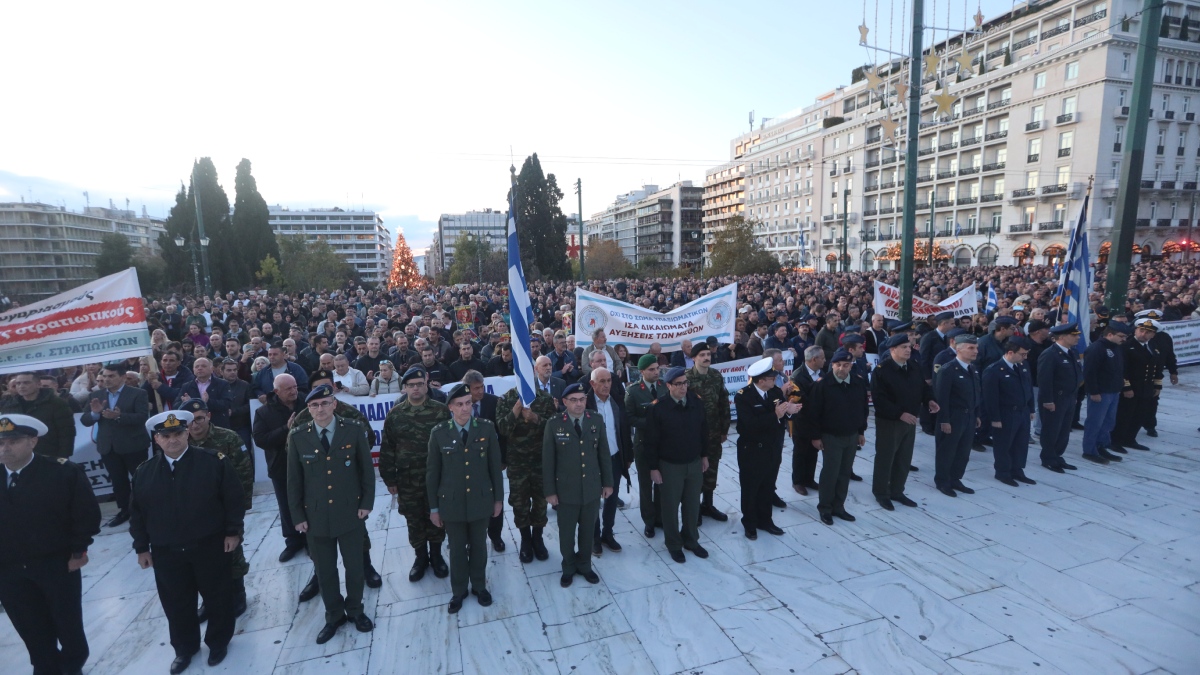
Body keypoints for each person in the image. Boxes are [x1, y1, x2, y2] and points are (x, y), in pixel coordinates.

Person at [130, 410, 244, 674]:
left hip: (209, 544)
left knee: (217, 597)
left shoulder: (213, 461)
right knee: (176, 603)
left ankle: (218, 642)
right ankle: (185, 648)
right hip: (166, 551)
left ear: (187, 433)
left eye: (178, 433)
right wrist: (141, 548)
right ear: (156, 439)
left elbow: (233, 499)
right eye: (166, 435)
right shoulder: (144, 472)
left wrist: (233, 532)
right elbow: (137, 513)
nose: (173, 440)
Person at [0, 414, 101, 675]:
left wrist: (79, 550)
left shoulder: (61, 471)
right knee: (28, 624)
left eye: (12, 441)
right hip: (8, 568)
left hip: (55, 563)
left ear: (32, 441)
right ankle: (44, 666)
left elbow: (86, 514)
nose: (4, 447)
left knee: (66, 622)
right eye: (0, 442)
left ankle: (72, 664)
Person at [286, 385, 375, 644]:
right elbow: (294, 481)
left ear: (334, 404)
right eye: (314, 405)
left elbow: (366, 471)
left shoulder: (353, 430)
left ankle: (356, 610)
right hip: (315, 517)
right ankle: (334, 615)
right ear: (308, 409)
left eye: (325, 403)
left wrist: (366, 503)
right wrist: (297, 516)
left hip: (350, 512)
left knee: (355, 567)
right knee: (325, 571)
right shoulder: (298, 436)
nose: (320, 409)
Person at [426, 383, 504, 614]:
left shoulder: (486, 429)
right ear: (450, 407)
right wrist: (433, 508)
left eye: (468, 403)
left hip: (481, 500)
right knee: (457, 548)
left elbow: (494, 468)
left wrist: (498, 499)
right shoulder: (439, 433)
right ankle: (458, 590)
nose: (465, 408)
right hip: (451, 503)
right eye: (459, 404)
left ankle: (479, 586)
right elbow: (433, 473)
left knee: (480, 546)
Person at [180, 399, 254, 620]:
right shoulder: (179, 441)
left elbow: (244, 473)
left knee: (231, 551)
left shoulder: (228, 438)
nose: (195, 425)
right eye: (190, 421)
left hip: (225, 509)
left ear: (208, 416)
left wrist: (240, 508)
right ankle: (209, 600)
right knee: (202, 557)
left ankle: (237, 595)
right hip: (195, 513)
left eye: (199, 419)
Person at [379, 367, 452, 581]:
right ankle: (420, 558)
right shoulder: (396, 414)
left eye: (420, 384)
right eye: (411, 385)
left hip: (436, 478)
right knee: (414, 520)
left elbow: (450, 444)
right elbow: (388, 448)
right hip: (407, 479)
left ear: (426, 384)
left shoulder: (441, 411)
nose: (416, 388)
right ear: (405, 388)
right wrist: (389, 479)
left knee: (436, 517)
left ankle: (437, 556)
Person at [542, 383, 614, 587]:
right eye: (574, 400)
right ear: (564, 402)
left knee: (587, 531)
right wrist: (550, 491)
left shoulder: (595, 420)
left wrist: (608, 483)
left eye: (582, 399)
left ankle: (585, 565)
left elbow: (603, 454)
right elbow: (548, 460)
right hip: (566, 490)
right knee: (566, 532)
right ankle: (568, 567)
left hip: (591, 487)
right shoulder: (554, 423)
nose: (579, 404)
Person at [644, 367, 710, 562]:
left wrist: (704, 455)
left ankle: (691, 539)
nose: (684, 387)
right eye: (679, 384)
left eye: (685, 383)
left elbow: (703, 431)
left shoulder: (695, 402)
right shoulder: (658, 407)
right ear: (669, 386)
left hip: (693, 462)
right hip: (670, 465)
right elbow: (651, 441)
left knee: (692, 505)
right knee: (670, 508)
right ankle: (673, 543)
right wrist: (653, 468)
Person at [800, 350, 869, 524]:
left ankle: (839, 506)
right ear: (832, 365)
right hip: (831, 436)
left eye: (846, 365)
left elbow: (863, 409)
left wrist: (861, 431)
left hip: (851, 435)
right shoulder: (822, 385)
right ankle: (825, 508)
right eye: (838, 365)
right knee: (830, 473)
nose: (841, 368)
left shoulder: (858, 382)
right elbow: (813, 414)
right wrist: (815, 437)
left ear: (851, 366)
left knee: (845, 473)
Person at [870, 335, 938, 510]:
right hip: (890, 422)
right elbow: (879, 399)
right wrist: (899, 414)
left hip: (910, 420)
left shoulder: (914, 366)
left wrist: (929, 400)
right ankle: (881, 492)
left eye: (910, 346)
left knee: (904, 458)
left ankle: (897, 490)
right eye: (904, 347)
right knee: (886, 457)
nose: (909, 350)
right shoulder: (882, 370)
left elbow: (923, 387)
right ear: (892, 350)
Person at [496, 369, 557, 563]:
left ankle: (538, 538)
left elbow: (554, 429)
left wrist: (535, 418)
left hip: (540, 461)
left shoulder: (546, 399)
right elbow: (502, 430)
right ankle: (525, 539)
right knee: (520, 503)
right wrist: (515, 411)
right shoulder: (506, 399)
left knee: (540, 502)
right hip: (517, 463)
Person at [734, 358, 799, 539]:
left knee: (768, 485)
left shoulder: (775, 392)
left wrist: (789, 411)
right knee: (751, 487)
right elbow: (748, 425)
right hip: (752, 449)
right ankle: (750, 523)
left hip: (772, 447)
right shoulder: (743, 396)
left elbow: (780, 416)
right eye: (771, 378)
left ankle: (766, 520)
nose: (775, 380)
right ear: (761, 380)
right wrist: (775, 415)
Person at [80, 364, 151, 528]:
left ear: (123, 377)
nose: (106, 379)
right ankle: (125, 510)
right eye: (104, 376)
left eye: (111, 376)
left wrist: (119, 416)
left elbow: (141, 417)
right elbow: (84, 420)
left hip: (134, 445)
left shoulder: (138, 393)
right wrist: (95, 414)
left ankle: (148, 509)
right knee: (118, 482)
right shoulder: (96, 395)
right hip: (108, 447)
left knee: (141, 480)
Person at [252, 373, 307, 563]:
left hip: (308, 463)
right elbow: (261, 440)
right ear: (276, 391)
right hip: (281, 465)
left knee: (309, 500)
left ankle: (310, 539)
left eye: (295, 387)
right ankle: (293, 541)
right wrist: (286, 428)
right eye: (289, 389)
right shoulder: (264, 412)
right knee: (286, 504)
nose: (294, 391)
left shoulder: (306, 403)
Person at [982, 338, 1040, 485]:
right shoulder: (994, 370)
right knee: (1004, 444)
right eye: (1022, 354)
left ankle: (1017, 470)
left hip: (1023, 411)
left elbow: (1028, 388)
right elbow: (990, 398)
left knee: (1020, 443)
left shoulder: (1022, 365)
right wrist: (995, 418)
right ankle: (1002, 472)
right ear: (1010, 352)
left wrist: (1031, 408)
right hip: (1006, 413)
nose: (1025, 357)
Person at [586, 367, 631, 556]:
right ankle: (594, 538)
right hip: (592, 462)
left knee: (612, 498)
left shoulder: (617, 401)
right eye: (601, 381)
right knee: (593, 500)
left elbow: (624, 429)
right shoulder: (585, 403)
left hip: (614, 458)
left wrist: (627, 456)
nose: (606, 385)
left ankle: (607, 533)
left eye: (609, 381)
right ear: (592, 384)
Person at [460, 370, 507, 552]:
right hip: (466, 460)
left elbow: (502, 433)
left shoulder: (493, 402)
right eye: (476, 388)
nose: (480, 391)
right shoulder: (458, 403)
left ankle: (496, 536)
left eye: (482, 387)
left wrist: (503, 458)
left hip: (490, 459)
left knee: (495, 496)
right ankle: (470, 537)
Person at [934, 334, 982, 497]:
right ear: (959, 349)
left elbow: (975, 393)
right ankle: (942, 481)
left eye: (976, 348)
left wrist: (976, 414)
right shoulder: (948, 369)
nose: (975, 351)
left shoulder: (972, 368)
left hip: (969, 416)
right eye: (971, 348)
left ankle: (955, 478)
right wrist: (944, 420)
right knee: (947, 450)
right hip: (953, 416)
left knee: (963, 451)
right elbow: (942, 397)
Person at [625, 354, 666, 538]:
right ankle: (649, 521)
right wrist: (650, 423)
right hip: (643, 444)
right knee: (645, 484)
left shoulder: (665, 386)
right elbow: (629, 418)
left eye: (657, 368)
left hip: (663, 444)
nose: (656, 372)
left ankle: (660, 517)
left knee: (662, 483)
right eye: (651, 369)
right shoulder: (633, 391)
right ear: (642, 371)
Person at [1080, 323, 1129, 465]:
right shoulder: (1096, 348)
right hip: (1101, 392)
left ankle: (1101, 446)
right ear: (1110, 334)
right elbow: (1089, 372)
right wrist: (1093, 391)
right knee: (1095, 422)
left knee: (1108, 422)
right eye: (1121, 336)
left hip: (1113, 390)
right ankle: (1089, 450)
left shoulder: (1116, 348)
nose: (1123, 339)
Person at [1037, 323, 1083, 473]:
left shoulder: (1072, 352)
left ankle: (1057, 456)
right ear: (1062, 337)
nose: (1077, 337)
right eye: (1073, 335)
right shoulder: (1050, 354)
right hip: (1055, 399)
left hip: (1068, 398)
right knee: (1052, 430)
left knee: (1064, 430)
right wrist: (1048, 401)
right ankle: (1048, 458)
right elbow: (1045, 380)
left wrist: (1074, 395)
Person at [0, 371, 76, 458]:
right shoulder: (9, 405)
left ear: (38, 384)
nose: (21, 386)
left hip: (48, 454)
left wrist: (63, 457)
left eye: (26, 383)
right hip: (18, 456)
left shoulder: (56, 403)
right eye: (18, 383)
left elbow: (66, 433)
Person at [1113, 318, 1162, 452]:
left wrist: (1157, 385)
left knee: (1139, 415)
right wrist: (1126, 387)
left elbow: (1156, 367)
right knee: (1124, 415)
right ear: (1135, 330)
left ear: (1153, 335)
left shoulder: (1152, 346)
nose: (1143, 334)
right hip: (1131, 388)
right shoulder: (1127, 346)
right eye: (1141, 330)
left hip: (1146, 388)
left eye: (1148, 332)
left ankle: (1130, 439)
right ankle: (1116, 440)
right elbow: (1122, 369)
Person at [1135, 309, 1178, 436]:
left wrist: (1173, 372)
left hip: (1156, 374)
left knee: (1153, 400)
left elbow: (1170, 356)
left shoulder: (1164, 337)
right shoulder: (1135, 339)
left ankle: (1150, 425)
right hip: (1137, 375)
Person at [790, 346, 825, 495]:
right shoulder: (798, 376)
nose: (825, 360)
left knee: (813, 452)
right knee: (800, 452)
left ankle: (809, 479)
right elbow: (801, 400)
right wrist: (816, 386)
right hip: (801, 421)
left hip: (817, 420)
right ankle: (798, 481)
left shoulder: (822, 373)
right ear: (814, 359)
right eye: (822, 358)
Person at [919, 312, 956, 435]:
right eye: (951, 323)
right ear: (944, 323)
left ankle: (936, 423)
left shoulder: (946, 337)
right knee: (929, 398)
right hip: (931, 374)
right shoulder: (929, 337)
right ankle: (927, 425)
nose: (953, 325)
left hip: (942, 374)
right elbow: (923, 358)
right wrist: (926, 377)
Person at [177, 358, 232, 429]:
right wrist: (187, 403)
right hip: (194, 427)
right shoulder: (187, 386)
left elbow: (226, 404)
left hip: (217, 426)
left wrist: (208, 402)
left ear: (211, 369)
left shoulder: (223, 384)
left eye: (203, 366)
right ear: (193, 370)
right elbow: (177, 404)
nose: (199, 368)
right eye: (197, 366)